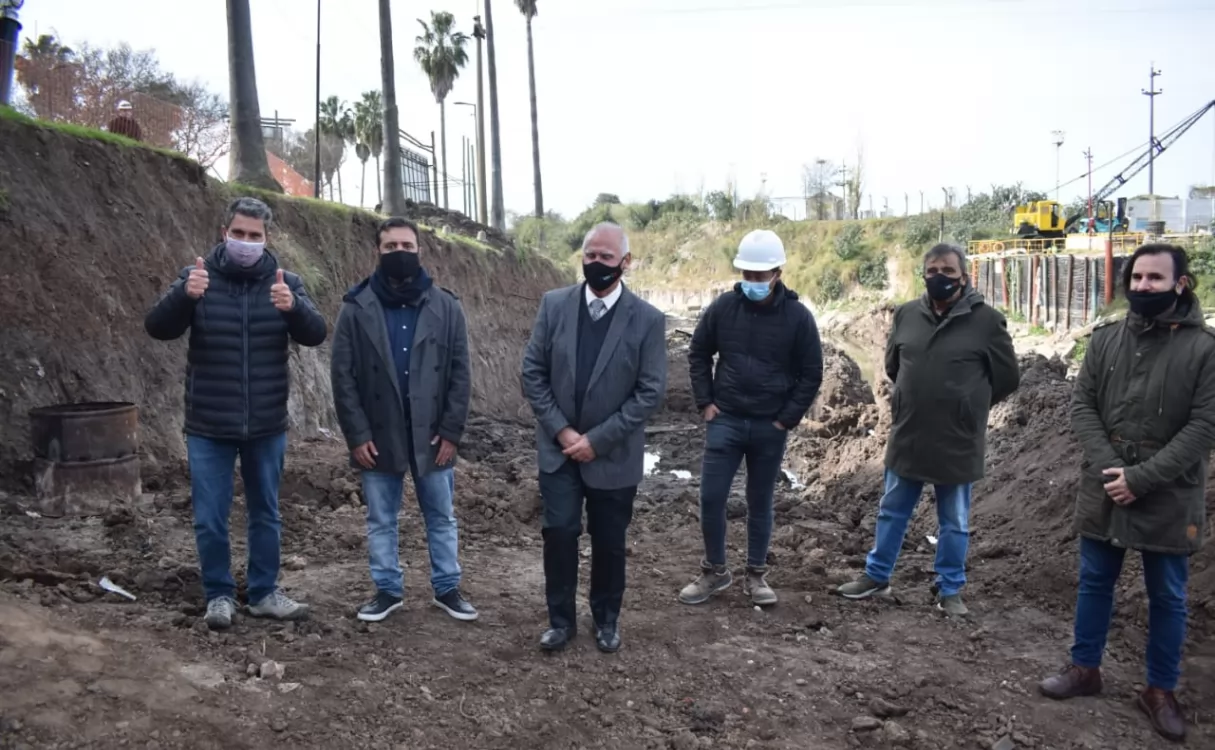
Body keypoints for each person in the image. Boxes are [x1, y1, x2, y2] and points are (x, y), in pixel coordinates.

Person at [1038, 244, 1215, 743]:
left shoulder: (1204, 349)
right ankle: (1084, 668)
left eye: (1155, 278)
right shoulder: (1105, 340)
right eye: (1136, 277)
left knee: (1169, 596)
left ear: (1181, 284)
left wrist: (1142, 478)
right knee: (1095, 581)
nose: (1142, 286)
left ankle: (1160, 690)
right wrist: (1110, 467)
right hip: (1106, 484)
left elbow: (1204, 427)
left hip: (1170, 493)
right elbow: (1083, 408)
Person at [144, 197, 328, 630]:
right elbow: (158, 327)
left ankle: (264, 593)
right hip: (208, 423)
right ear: (224, 233)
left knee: (266, 512)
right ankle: (219, 595)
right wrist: (183, 297)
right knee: (210, 516)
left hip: (265, 424)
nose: (246, 242)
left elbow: (316, 334)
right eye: (238, 234)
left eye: (255, 236)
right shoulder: (197, 279)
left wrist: (294, 307)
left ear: (267, 239)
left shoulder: (286, 283)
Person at [837, 243, 1019, 616]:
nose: (940, 278)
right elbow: (893, 367)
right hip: (910, 432)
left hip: (958, 438)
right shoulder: (905, 315)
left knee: (954, 520)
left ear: (964, 277)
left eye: (948, 272)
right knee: (891, 509)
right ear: (924, 275)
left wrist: (967, 407)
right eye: (933, 271)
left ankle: (949, 588)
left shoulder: (987, 321)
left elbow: (1007, 378)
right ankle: (877, 575)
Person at [521, 222, 667, 653]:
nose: (596, 263)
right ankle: (560, 621)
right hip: (559, 451)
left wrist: (597, 440)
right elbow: (533, 372)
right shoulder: (553, 306)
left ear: (625, 262)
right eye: (590, 255)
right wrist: (564, 431)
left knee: (609, 543)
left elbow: (650, 391)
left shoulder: (647, 320)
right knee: (560, 534)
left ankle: (606, 620)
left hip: (614, 457)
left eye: (606, 257)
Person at [329, 217, 477, 624]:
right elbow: (343, 378)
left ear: (419, 250)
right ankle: (387, 590)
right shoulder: (356, 308)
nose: (399, 253)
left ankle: (447, 587)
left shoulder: (446, 307)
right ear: (377, 251)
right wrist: (356, 435)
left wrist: (451, 430)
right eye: (391, 246)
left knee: (441, 516)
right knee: (380, 518)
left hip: (432, 434)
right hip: (378, 433)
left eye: (406, 246)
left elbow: (460, 374)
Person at [679, 229, 823, 607]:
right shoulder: (723, 309)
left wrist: (786, 419)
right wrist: (705, 402)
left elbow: (812, 373)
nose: (754, 283)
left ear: (777, 272)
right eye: (748, 275)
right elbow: (698, 353)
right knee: (711, 498)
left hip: (769, 425)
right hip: (724, 420)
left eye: (761, 276)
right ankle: (714, 571)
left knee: (760, 500)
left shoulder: (798, 317)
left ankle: (756, 575)